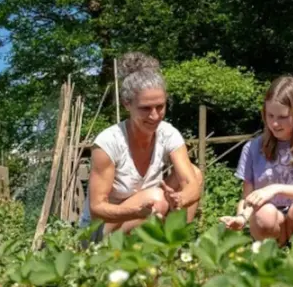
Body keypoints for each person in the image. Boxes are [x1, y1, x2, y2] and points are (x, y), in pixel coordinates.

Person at [79, 52, 203, 242]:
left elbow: (191, 183)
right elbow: (97, 209)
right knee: (156, 198)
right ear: (127, 104)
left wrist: (181, 199)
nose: (154, 116)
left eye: (160, 107)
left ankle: (174, 244)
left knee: (194, 173)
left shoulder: (168, 134)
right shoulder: (108, 142)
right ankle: (156, 248)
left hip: (148, 211)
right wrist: (134, 212)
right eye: (145, 108)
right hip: (101, 231)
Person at [221, 75, 293, 246]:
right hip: (269, 221)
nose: (275, 124)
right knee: (264, 213)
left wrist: (275, 189)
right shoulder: (253, 148)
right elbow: (248, 198)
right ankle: (274, 252)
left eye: (283, 117)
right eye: (270, 116)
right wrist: (241, 218)